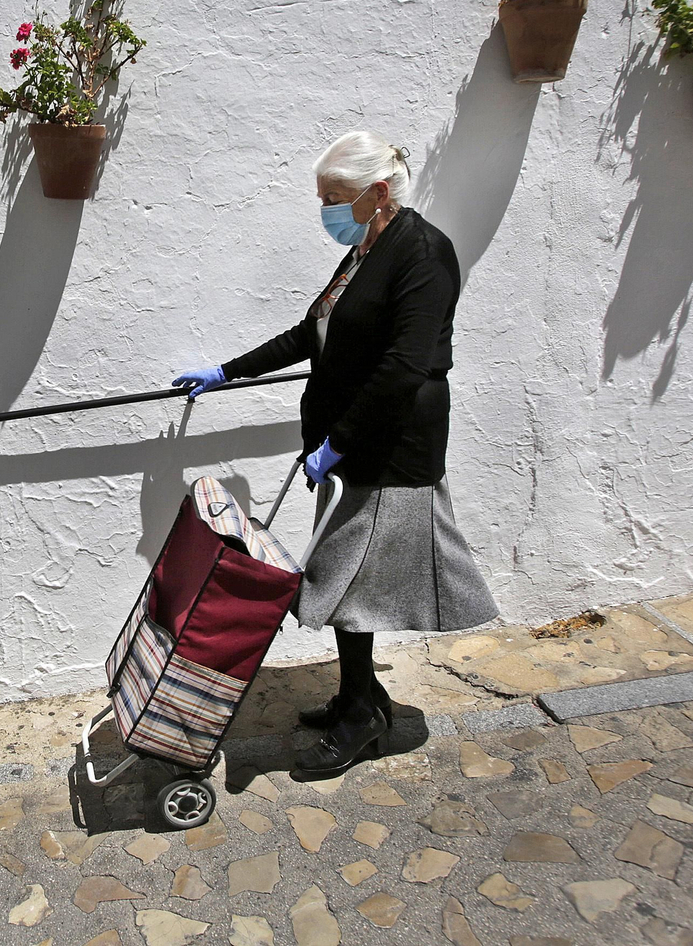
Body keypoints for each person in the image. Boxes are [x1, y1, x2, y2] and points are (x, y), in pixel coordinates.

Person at [173, 129, 499, 776]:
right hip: (343, 442)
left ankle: (359, 715)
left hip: (389, 444)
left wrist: (338, 444)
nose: (325, 209)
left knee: (345, 579)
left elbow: (405, 367)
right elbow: (311, 331)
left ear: (379, 193)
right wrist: (226, 372)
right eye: (322, 197)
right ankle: (363, 696)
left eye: (334, 197)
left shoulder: (423, 255)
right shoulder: (364, 253)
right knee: (354, 579)